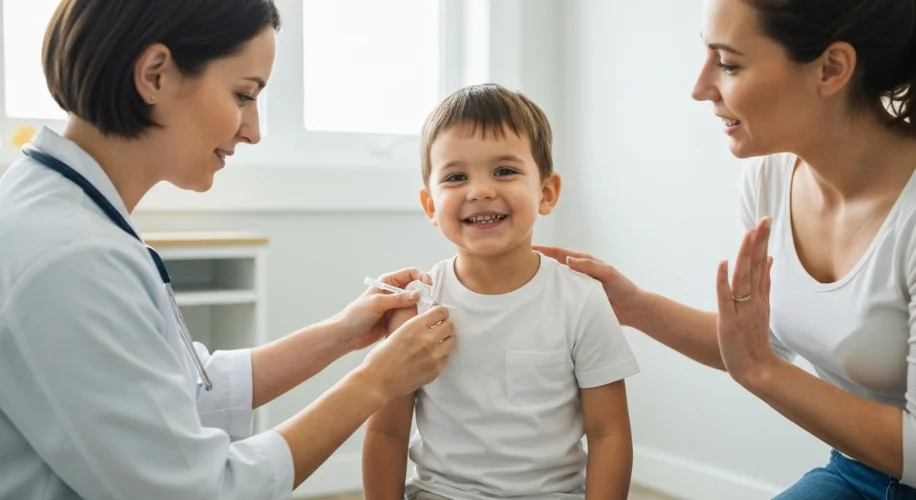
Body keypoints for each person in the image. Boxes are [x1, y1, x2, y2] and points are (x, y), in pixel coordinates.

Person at [0, 1, 454, 499]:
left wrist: (342, 334)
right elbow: (202, 490)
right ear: (154, 75)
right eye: (243, 95)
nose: (254, 131)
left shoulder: (66, 215)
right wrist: (375, 383)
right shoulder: (70, 258)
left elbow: (188, 392)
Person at [537, 0, 916, 498]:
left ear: (831, 69)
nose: (700, 88)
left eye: (729, 63)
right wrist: (635, 307)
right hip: (860, 471)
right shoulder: (770, 180)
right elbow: (760, 343)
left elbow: (760, 361)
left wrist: (763, 373)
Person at [361, 84, 640, 500]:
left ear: (546, 192)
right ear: (430, 206)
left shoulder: (581, 300)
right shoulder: (415, 307)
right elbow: (386, 430)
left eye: (504, 171)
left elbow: (609, 434)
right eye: (456, 177)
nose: (480, 190)